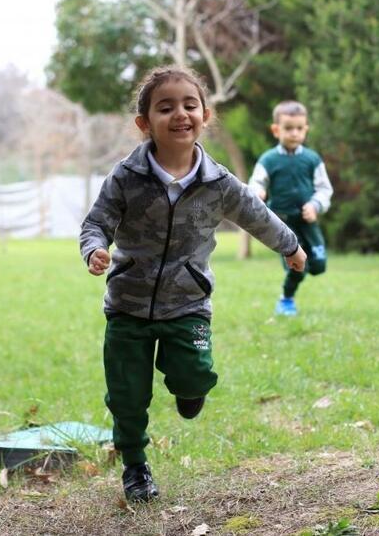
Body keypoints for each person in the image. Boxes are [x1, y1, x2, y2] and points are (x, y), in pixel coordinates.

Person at [80, 66, 307, 503]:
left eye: (189, 105)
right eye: (165, 108)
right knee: (126, 397)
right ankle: (135, 468)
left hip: (188, 305)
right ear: (145, 124)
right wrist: (94, 250)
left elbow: (258, 217)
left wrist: (290, 246)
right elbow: (96, 222)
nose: (180, 114)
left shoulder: (218, 183)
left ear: (205, 114)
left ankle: (189, 392)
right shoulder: (125, 178)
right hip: (127, 306)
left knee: (196, 376)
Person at [248, 101, 333, 316]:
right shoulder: (269, 159)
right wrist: (258, 193)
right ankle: (286, 300)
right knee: (297, 268)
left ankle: (307, 270)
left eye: (299, 128)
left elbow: (325, 189)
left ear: (306, 129)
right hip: (283, 225)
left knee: (319, 265)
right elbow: (256, 183)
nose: (294, 133)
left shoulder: (312, 159)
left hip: (308, 222)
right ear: (276, 130)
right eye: (288, 128)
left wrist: (315, 205)